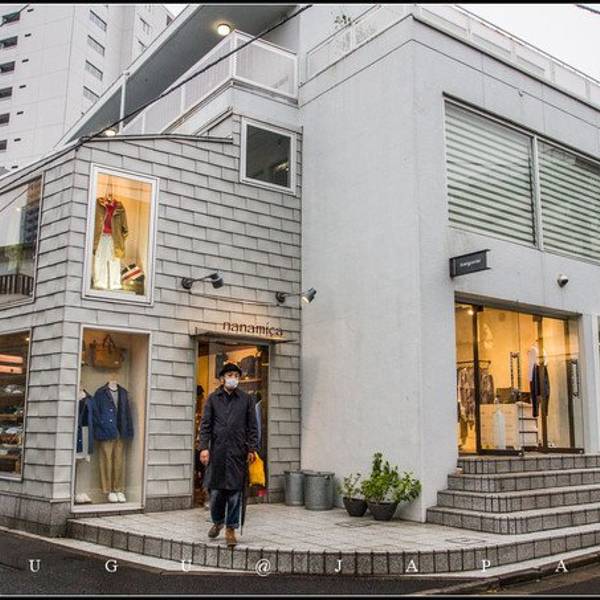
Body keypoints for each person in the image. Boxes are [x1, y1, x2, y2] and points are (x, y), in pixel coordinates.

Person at [199, 362, 258, 547]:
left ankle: (231, 529)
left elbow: (252, 426)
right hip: (217, 452)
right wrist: (204, 447)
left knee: (234, 494)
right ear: (222, 379)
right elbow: (205, 425)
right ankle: (218, 521)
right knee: (216, 492)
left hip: (238, 453)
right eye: (230, 375)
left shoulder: (246, 399)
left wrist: (251, 448)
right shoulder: (213, 399)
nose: (234, 378)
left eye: (236, 376)